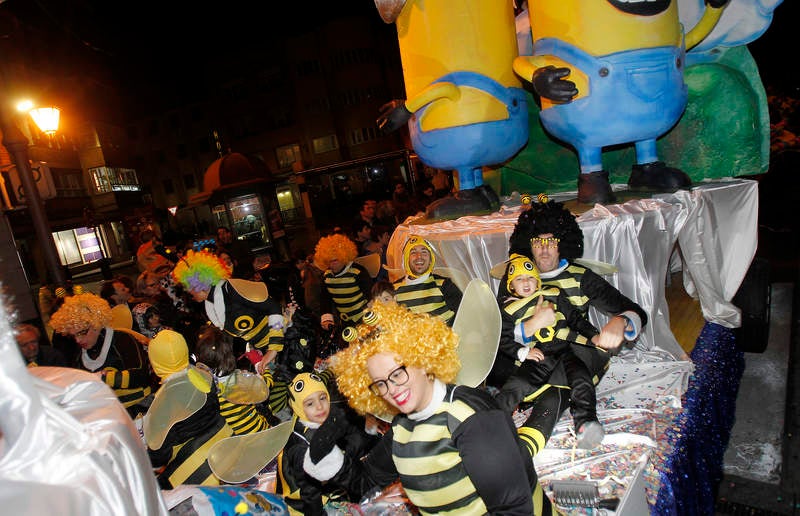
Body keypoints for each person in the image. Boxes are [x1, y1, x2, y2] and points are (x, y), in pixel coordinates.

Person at [330, 301, 553, 515]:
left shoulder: (470, 417)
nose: (392, 389)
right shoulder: (403, 424)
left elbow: (514, 510)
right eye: (380, 383)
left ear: (423, 360)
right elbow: (367, 480)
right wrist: (325, 457)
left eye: (397, 373)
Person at [502, 194, 648, 458]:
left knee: (568, 379)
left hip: (574, 352)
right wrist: (530, 327)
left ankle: (533, 440)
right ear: (528, 245)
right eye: (538, 241)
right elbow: (500, 328)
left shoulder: (581, 277)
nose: (544, 249)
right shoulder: (514, 276)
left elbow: (634, 310)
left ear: (562, 244)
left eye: (551, 241)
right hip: (530, 358)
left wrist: (621, 321)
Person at [493, 254, 605, 449]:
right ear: (511, 285)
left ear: (538, 280)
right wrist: (522, 352)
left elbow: (575, 319)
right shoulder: (507, 308)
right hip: (539, 354)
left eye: (530, 278)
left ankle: (586, 424)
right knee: (518, 384)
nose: (526, 283)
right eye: (519, 279)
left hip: (566, 348)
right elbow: (501, 338)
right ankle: (490, 423)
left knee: (581, 379)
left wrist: (593, 335)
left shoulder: (554, 293)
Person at [276, 371, 377, 515]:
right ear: (298, 408)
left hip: (328, 487)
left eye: (322, 398)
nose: (319, 407)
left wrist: (371, 433)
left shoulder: (322, 420)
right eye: (310, 403)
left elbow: (352, 438)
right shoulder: (301, 447)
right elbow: (309, 494)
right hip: (307, 505)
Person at [172, 249, 284, 376]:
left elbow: (274, 307)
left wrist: (273, 348)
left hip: (285, 341)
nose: (188, 292)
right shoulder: (212, 306)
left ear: (198, 284)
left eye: (188, 287)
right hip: (265, 352)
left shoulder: (231, 289)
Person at [145, 330, 233, 488]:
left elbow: (158, 456)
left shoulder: (163, 401)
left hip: (195, 468)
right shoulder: (202, 375)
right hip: (225, 445)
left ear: (155, 361)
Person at [49, 293, 154, 417]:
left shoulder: (122, 340)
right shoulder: (78, 355)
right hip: (110, 417)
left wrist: (102, 378)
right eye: (74, 335)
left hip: (141, 410)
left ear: (96, 324)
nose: (78, 340)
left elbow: (141, 376)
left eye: (82, 332)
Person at [194, 325, 278, 435]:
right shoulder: (239, 380)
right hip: (258, 432)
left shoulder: (201, 386)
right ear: (229, 356)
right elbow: (266, 385)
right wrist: (259, 363)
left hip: (234, 438)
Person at [392, 236, 462, 326]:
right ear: (406, 259)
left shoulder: (444, 285)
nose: (419, 256)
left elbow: (464, 314)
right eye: (413, 252)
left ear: (430, 260)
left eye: (424, 252)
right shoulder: (393, 289)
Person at [314, 234, 372, 330]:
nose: (332, 264)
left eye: (335, 260)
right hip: (345, 322)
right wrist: (326, 318)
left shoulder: (357, 272)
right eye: (329, 261)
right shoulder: (326, 277)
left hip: (364, 317)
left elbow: (370, 293)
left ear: (344, 257)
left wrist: (373, 313)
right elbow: (325, 299)